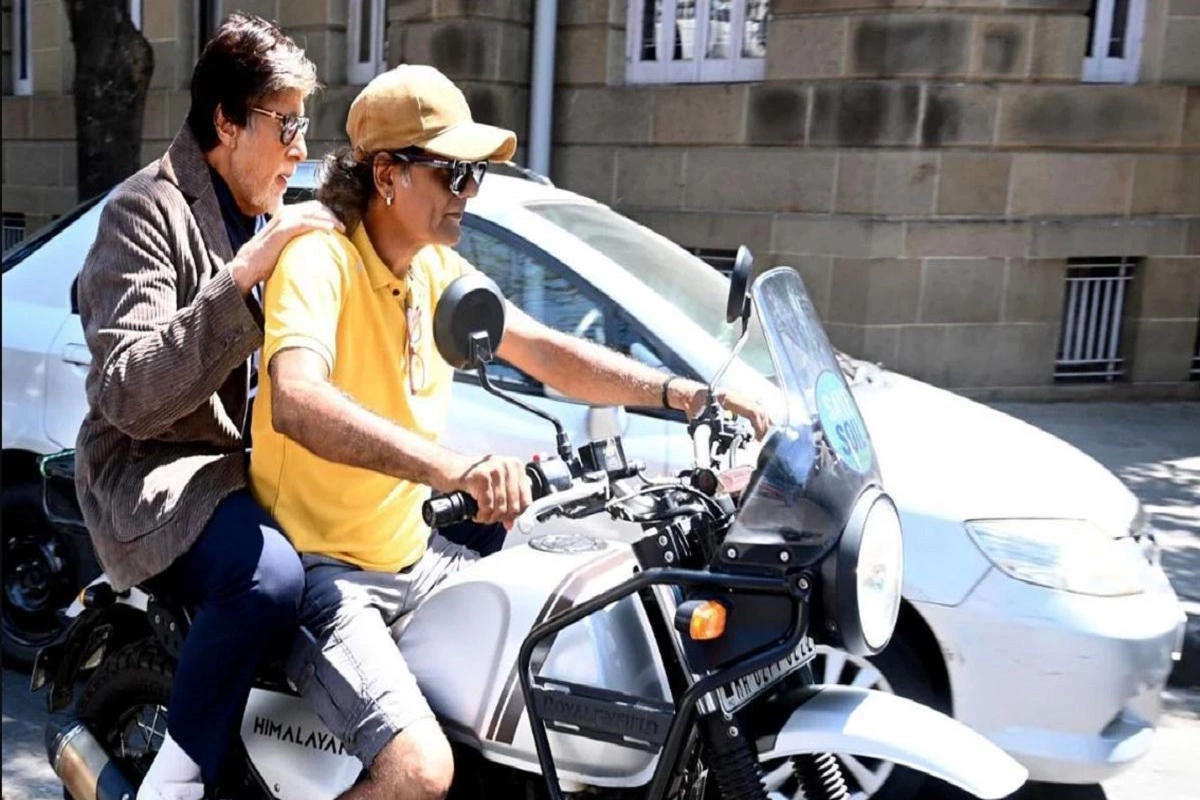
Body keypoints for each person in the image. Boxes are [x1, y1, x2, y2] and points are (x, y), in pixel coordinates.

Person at [248, 64, 770, 800]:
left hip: (417, 560)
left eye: (476, 177)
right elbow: (296, 398)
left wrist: (683, 393)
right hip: (328, 577)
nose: (470, 194)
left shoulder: (431, 270)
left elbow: (544, 348)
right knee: (419, 774)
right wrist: (451, 468)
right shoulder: (322, 259)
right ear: (389, 174)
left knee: (560, 665)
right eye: (455, 174)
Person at [72, 13, 342, 800]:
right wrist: (248, 274)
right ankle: (179, 778)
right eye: (284, 125)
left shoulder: (272, 206)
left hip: (254, 460)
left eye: (305, 125)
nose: (299, 146)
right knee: (267, 583)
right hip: (156, 470)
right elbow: (127, 389)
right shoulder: (143, 212)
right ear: (226, 122)